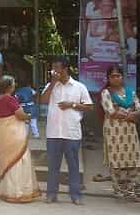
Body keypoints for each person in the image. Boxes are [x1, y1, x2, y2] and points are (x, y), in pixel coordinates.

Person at [40, 56, 93, 205]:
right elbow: (43, 101)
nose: (54, 71)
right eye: (53, 68)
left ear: (65, 69)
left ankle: (75, 195)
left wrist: (72, 105)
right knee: (53, 166)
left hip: (71, 132)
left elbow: (89, 106)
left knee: (74, 166)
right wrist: (52, 84)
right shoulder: (51, 85)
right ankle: (51, 194)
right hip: (53, 133)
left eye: (57, 68)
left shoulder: (79, 87)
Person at [0, 75, 41, 204]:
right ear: (9, 87)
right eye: (13, 84)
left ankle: (8, 191)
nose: (15, 86)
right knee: (19, 160)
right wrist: (28, 116)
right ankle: (19, 192)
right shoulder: (11, 99)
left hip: (2, 133)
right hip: (14, 134)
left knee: (7, 161)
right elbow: (20, 115)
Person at [100, 65, 140, 202]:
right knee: (116, 162)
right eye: (112, 76)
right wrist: (130, 116)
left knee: (135, 161)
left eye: (118, 75)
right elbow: (110, 111)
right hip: (113, 131)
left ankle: (130, 190)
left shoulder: (130, 92)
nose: (115, 78)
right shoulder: (106, 93)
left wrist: (127, 114)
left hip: (130, 132)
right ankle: (118, 191)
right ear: (108, 78)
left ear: (122, 77)